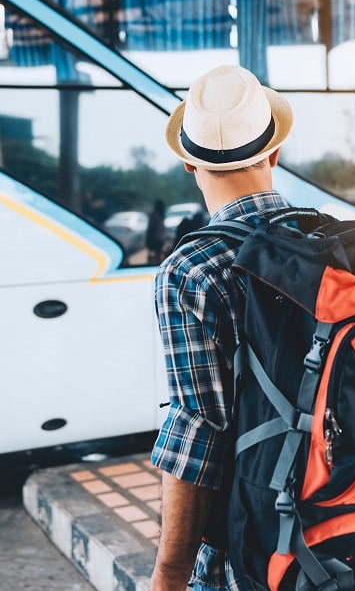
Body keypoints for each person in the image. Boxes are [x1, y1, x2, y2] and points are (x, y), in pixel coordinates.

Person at [149, 65, 293, 591]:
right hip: (349, 529)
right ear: (274, 153)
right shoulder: (328, 245)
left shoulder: (191, 271)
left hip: (254, 544)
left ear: (189, 163)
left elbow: (198, 426)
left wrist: (170, 572)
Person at [146, 198, 168, 264]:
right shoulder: (155, 215)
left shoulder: (160, 215)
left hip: (158, 240)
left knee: (158, 256)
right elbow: (152, 228)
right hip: (154, 240)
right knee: (154, 257)